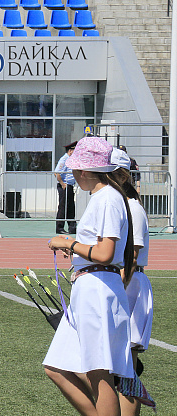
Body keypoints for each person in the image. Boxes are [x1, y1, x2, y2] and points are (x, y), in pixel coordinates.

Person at [45, 136, 135, 416]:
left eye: (73, 168)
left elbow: (105, 253)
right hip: (91, 285)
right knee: (56, 367)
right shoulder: (103, 197)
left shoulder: (107, 198)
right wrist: (77, 249)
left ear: (84, 171)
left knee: (98, 371)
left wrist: (69, 244)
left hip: (98, 288)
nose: (71, 173)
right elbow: (100, 249)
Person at [111, 148, 153, 416]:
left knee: (126, 366)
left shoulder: (132, 209)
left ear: (121, 176)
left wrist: (116, 290)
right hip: (121, 282)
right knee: (115, 364)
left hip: (129, 284)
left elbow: (132, 258)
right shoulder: (119, 205)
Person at [54, 141, 78, 234]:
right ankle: (59, 228)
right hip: (65, 186)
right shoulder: (64, 159)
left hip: (70, 185)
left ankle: (72, 227)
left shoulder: (70, 160)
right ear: (70, 151)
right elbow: (57, 173)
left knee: (71, 207)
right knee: (63, 207)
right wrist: (62, 184)